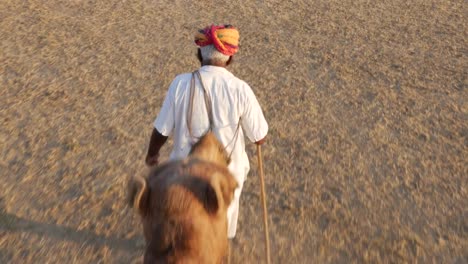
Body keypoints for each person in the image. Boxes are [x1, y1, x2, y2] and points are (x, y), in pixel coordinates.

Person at [145, 24, 268, 239]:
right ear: (230, 59)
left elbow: (162, 130)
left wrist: (152, 154)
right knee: (221, 234)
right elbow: (259, 137)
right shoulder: (241, 89)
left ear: (198, 54)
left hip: (184, 175)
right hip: (226, 178)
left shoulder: (180, 84)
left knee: (182, 233)